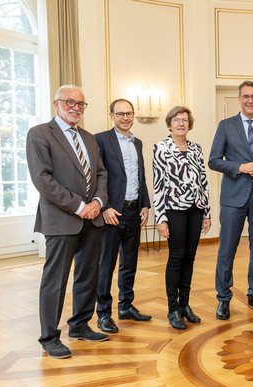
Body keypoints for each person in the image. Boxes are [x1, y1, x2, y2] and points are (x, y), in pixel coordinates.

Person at [26, 85, 109, 359]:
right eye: (69, 102)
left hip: (92, 219)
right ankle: (49, 337)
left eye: (81, 104)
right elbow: (43, 180)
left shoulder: (88, 137)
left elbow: (100, 174)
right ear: (56, 103)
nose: (76, 107)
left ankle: (80, 325)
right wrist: (79, 205)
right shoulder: (39, 134)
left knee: (88, 275)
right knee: (56, 280)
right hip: (62, 219)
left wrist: (97, 203)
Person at [208, 81, 253, 320]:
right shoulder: (226, 125)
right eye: (246, 96)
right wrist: (239, 166)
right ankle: (223, 298)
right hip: (233, 197)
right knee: (227, 249)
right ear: (239, 99)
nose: (250, 100)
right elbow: (214, 160)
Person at [94, 99, 152, 334]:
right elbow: (98, 176)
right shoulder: (100, 140)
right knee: (106, 265)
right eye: (120, 114)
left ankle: (126, 306)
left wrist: (145, 204)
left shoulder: (137, 142)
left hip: (134, 211)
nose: (125, 118)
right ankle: (104, 314)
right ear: (111, 116)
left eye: (128, 113)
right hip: (111, 212)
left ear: (133, 115)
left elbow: (141, 175)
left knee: (130, 263)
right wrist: (104, 207)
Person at [153, 106, 211, 329]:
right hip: (173, 210)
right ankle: (172, 309)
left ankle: (185, 305)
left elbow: (203, 182)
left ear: (189, 124)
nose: (181, 123)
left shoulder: (196, 148)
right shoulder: (161, 148)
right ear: (169, 124)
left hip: (196, 209)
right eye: (176, 120)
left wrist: (207, 212)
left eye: (185, 120)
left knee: (190, 257)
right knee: (176, 257)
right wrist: (160, 218)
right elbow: (158, 184)